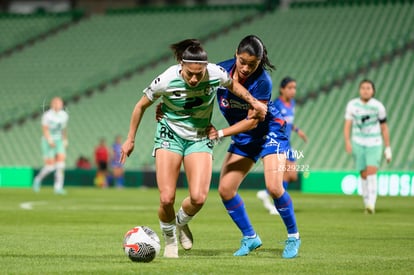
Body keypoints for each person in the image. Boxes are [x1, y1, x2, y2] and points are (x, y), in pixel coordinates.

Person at [120, 39, 267, 259]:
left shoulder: (215, 73)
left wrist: (253, 102)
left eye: (200, 73)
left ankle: (180, 223)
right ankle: (170, 240)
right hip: (170, 135)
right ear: (181, 65)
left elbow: (232, 85)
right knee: (166, 198)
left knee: (198, 198)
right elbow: (140, 105)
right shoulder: (166, 79)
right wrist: (130, 139)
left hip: (199, 137)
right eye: (190, 73)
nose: (195, 78)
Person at [207, 35, 301, 258]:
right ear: (235, 54)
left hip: (270, 133)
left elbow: (253, 120)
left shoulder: (262, 82)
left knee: (275, 187)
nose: (246, 67)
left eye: (253, 63)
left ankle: (293, 237)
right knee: (226, 190)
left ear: (260, 61)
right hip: (245, 139)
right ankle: (250, 237)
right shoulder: (219, 71)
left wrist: (219, 133)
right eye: (242, 61)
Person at [257, 77, 307, 215]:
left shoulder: (292, 104)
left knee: (292, 176)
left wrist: (298, 131)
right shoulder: (277, 104)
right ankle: (277, 204)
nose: (293, 91)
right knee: (285, 173)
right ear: (282, 89)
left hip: (287, 142)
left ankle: (266, 193)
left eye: (294, 88)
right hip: (277, 143)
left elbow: (288, 123)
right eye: (290, 88)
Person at [344, 79, 392, 214]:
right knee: (363, 173)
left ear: (373, 90)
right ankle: (366, 202)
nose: (365, 90)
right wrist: (347, 141)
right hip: (358, 142)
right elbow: (347, 124)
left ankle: (371, 203)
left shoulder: (378, 106)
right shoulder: (352, 105)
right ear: (359, 90)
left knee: (371, 171)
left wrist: (388, 147)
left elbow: (384, 127)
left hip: (374, 142)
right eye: (363, 88)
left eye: (368, 88)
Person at [33, 97, 69, 195]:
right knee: (50, 166)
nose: (58, 105)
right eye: (56, 103)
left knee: (61, 165)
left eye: (60, 103)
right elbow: (45, 129)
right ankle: (37, 180)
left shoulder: (64, 115)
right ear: (52, 104)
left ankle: (58, 187)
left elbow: (63, 129)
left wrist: (65, 139)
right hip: (48, 141)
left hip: (59, 140)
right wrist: (49, 140)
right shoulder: (47, 116)